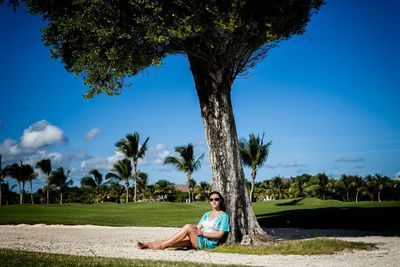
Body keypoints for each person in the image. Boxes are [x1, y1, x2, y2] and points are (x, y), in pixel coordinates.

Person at [135, 191, 230, 250]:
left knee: (187, 227)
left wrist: (202, 233)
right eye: (211, 199)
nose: (214, 201)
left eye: (216, 199)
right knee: (173, 242)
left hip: (207, 244)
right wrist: (195, 228)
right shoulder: (207, 214)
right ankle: (146, 245)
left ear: (220, 200)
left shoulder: (224, 216)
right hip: (198, 239)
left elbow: (220, 235)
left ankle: (162, 246)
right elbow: (198, 227)